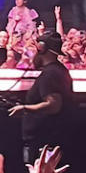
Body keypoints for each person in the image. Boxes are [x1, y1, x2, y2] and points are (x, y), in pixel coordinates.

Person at [8, 32, 74, 164]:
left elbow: (54, 105)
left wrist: (25, 108)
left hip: (43, 145)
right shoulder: (57, 71)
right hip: (45, 142)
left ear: (42, 49)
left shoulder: (51, 74)